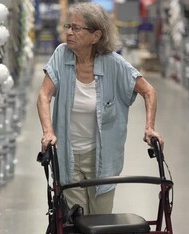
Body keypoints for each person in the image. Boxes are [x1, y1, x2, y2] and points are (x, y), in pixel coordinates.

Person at [37, 2, 164, 215]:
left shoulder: (113, 63)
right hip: (68, 156)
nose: (69, 32)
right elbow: (44, 95)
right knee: (77, 221)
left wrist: (150, 127)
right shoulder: (61, 55)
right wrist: (48, 132)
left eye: (76, 28)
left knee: (100, 219)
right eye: (68, 26)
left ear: (96, 36)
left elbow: (149, 91)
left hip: (102, 158)